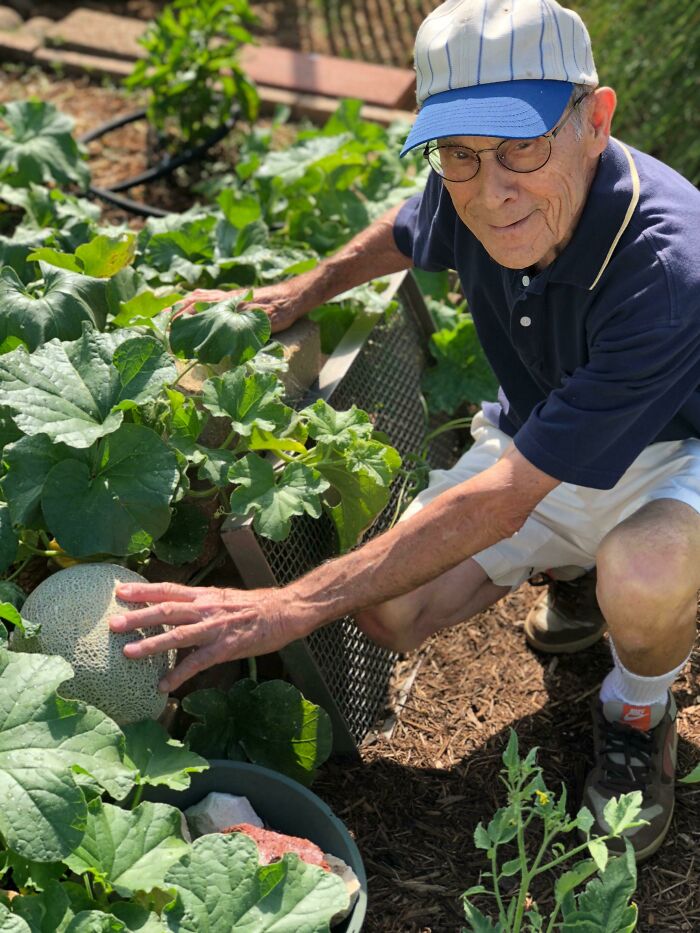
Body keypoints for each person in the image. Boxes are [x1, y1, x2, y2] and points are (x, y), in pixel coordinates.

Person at [110, 0, 700, 861]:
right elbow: (406, 228)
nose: (491, 191)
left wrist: (283, 606)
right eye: (459, 154)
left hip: (672, 452)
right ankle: (576, 580)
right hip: (539, 434)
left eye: (521, 147)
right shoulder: (470, 184)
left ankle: (640, 710)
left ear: (596, 119)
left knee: (646, 574)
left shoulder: (667, 267)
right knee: (388, 610)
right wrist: (303, 289)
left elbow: (502, 501)